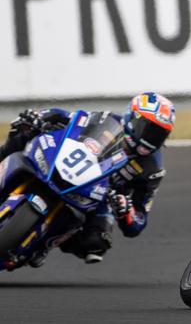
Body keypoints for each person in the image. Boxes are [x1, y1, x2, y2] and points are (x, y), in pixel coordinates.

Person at [0, 92, 175, 266]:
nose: (151, 139)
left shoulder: (153, 169)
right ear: (132, 118)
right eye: (148, 129)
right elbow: (68, 117)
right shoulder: (105, 119)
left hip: (102, 197)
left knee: (97, 242)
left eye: (159, 135)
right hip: (66, 167)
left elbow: (139, 221)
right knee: (22, 132)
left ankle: (43, 245)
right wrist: (39, 117)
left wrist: (127, 211)